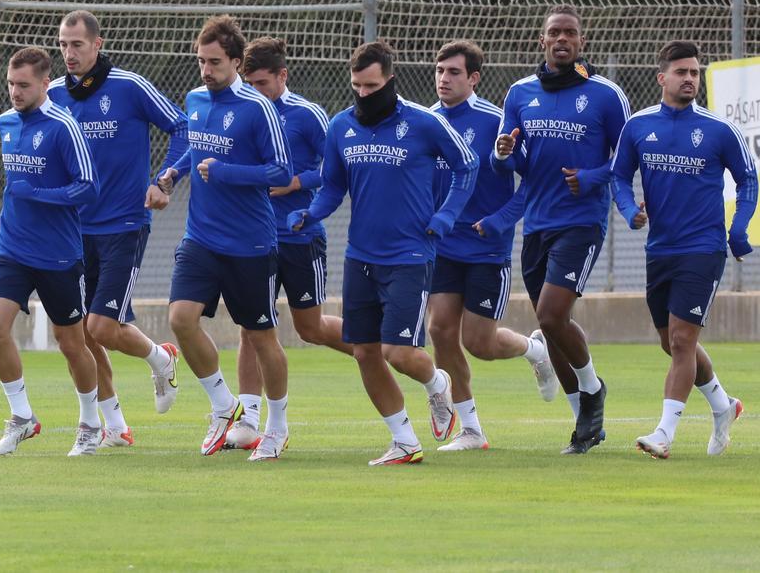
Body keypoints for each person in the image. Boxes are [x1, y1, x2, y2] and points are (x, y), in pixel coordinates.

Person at [288, 41, 475, 465]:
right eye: (357, 86)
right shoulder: (340, 126)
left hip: (410, 255)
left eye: (372, 86)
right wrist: (310, 213)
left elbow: (468, 166)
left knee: (399, 352)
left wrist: (446, 216)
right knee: (364, 351)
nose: (364, 94)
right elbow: (333, 185)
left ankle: (436, 383)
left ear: (390, 80)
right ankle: (405, 441)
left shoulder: (425, 123)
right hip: (360, 257)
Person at [491, 4, 630, 454]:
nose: (562, 39)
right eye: (555, 33)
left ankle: (593, 390)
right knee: (552, 328)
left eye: (570, 32)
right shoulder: (519, 93)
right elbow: (510, 158)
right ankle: (585, 426)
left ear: (581, 42)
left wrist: (590, 178)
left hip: (582, 221)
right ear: (543, 40)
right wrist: (504, 152)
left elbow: (625, 160)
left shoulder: (606, 95)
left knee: (551, 314)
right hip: (537, 222)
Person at [156, 15, 293, 461]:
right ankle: (223, 404)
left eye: (214, 62)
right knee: (180, 318)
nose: (205, 69)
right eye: (201, 61)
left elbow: (281, 171)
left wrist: (227, 172)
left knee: (261, 336)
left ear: (235, 61)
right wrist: (174, 172)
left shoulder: (258, 108)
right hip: (201, 237)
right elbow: (200, 142)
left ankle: (276, 427)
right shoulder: (195, 98)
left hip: (250, 243)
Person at [610, 40, 755, 459]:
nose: (690, 79)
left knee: (681, 339)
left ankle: (664, 433)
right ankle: (724, 405)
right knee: (671, 342)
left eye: (695, 72)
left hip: (704, 248)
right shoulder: (638, 126)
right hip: (660, 250)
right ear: (662, 78)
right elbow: (619, 177)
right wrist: (628, 211)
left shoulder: (718, 130)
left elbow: (748, 179)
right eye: (682, 72)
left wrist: (738, 228)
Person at [47, 10, 185, 448]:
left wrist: (166, 178)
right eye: (64, 45)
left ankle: (160, 356)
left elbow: (181, 126)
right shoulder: (51, 95)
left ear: (98, 44)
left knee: (102, 327)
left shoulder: (129, 86)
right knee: (83, 332)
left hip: (124, 222)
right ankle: (115, 426)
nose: (69, 53)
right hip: (73, 229)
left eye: (77, 45)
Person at [223, 36, 352, 451]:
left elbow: (336, 169)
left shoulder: (307, 115)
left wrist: (295, 182)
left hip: (299, 236)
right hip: (254, 238)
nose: (254, 90)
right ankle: (249, 420)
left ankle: (376, 349)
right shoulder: (239, 110)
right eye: (249, 82)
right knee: (251, 328)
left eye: (262, 82)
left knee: (310, 328)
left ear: (283, 76)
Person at [427, 41, 556, 452]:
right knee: (440, 330)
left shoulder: (496, 122)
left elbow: (530, 182)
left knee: (479, 343)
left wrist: (500, 220)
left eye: (454, 72)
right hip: (443, 246)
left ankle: (535, 349)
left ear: (474, 78)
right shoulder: (426, 122)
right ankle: (471, 430)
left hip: (486, 248)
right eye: (440, 71)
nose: (444, 79)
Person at [0, 47, 102, 457]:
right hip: (12, 248)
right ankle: (21, 417)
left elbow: (88, 186)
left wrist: (40, 195)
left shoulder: (63, 127)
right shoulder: (6, 123)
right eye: (11, 84)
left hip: (58, 256)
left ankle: (90, 423)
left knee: (71, 343)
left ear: (44, 83)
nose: (15, 92)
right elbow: (19, 182)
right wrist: (5, 213)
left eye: (24, 85)